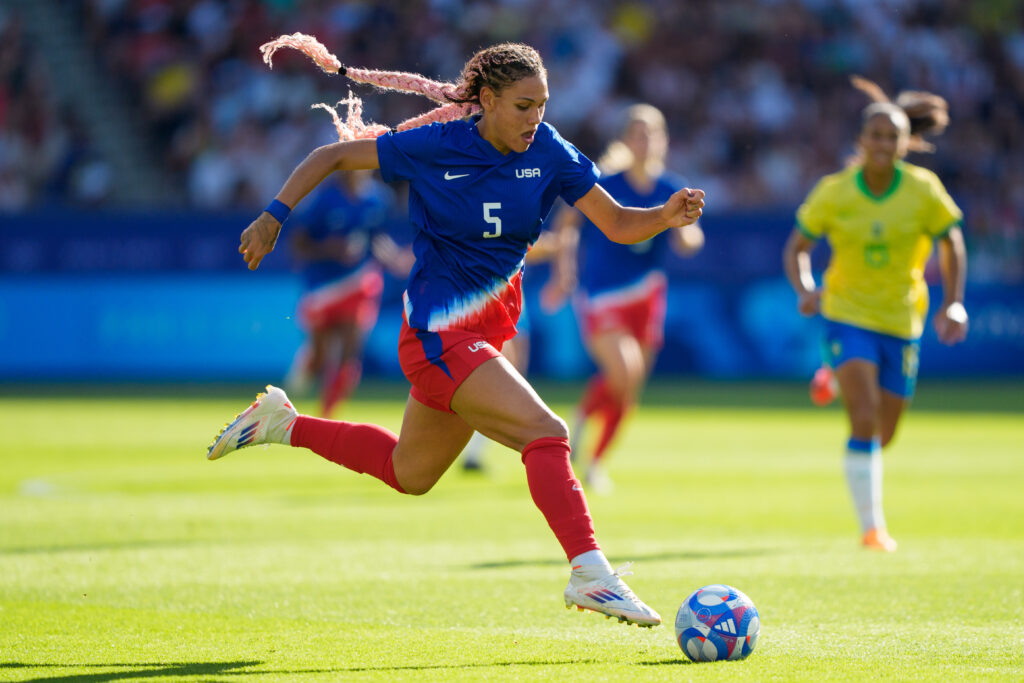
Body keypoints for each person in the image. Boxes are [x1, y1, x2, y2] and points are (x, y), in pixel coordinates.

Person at [205, 34, 704, 627]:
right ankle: (590, 573)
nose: (535, 117)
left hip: (481, 338)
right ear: (487, 100)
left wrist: (664, 216)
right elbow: (333, 156)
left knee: (408, 474)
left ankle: (283, 423)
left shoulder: (549, 150)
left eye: (542, 104)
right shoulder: (439, 144)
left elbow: (618, 222)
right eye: (523, 105)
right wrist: (273, 216)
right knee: (546, 434)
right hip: (439, 336)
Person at [783, 76, 968, 552]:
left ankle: (833, 375)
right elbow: (798, 247)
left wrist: (953, 301)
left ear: (906, 142)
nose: (885, 144)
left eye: (894, 136)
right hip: (846, 314)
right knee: (862, 419)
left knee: (884, 434)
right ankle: (873, 528)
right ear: (861, 141)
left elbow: (952, 242)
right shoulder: (835, 191)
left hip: (903, 321)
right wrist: (806, 287)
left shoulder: (924, 191)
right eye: (877, 135)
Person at [542, 104, 704, 493]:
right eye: (638, 134)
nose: (645, 141)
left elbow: (692, 240)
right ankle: (580, 433)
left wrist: (685, 234)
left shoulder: (671, 187)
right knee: (624, 373)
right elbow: (567, 222)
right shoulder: (607, 183)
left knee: (628, 387)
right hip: (602, 294)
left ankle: (593, 458)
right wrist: (563, 272)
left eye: (652, 134)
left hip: (647, 295)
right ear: (626, 140)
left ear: (664, 141)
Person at [285, 169, 412, 417]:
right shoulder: (323, 200)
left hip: (359, 283)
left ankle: (326, 416)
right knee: (320, 356)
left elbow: (377, 239)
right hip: (323, 288)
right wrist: (328, 249)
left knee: (349, 353)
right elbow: (298, 244)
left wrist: (395, 259)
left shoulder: (379, 199)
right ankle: (300, 379)